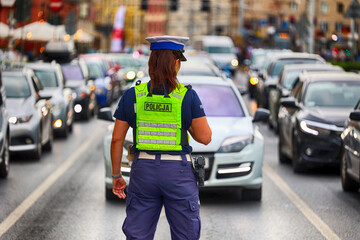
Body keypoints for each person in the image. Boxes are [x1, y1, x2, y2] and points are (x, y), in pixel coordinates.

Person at [111, 35, 212, 240]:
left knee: (138, 235)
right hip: (177, 173)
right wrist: (186, 124)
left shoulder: (134, 95)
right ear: (175, 63)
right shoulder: (186, 96)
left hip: (143, 171)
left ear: (152, 62)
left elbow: (116, 139)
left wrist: (116, 176)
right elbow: (205, 138)